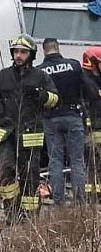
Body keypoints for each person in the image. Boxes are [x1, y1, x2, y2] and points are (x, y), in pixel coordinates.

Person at [0, 35, 57, 221]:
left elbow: (55, 100)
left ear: (31, 55)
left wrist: (41, 95)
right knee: (5, 174)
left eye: (23, 52)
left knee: (29, 178)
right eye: (16, 51)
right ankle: (11, 212)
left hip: (30, 136)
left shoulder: (41, 77)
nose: (18, 55)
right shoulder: (2, 76)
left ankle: (29, 217)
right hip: (6, 136)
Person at [39, 38, 89, 205]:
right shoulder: (73, 65)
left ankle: (58, 204)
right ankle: (81, 203)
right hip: (73, 116)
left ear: (43, 50)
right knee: (76, 160)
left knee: (56, 161)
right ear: (58, 48)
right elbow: (87, 89)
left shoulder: (40, 70)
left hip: (51, 118)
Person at [81, 46, 101, 197]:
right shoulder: (89, 81)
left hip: (94, 126)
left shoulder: (93, 79)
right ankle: (92, 197)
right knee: (93, 164)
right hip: (92, 127)